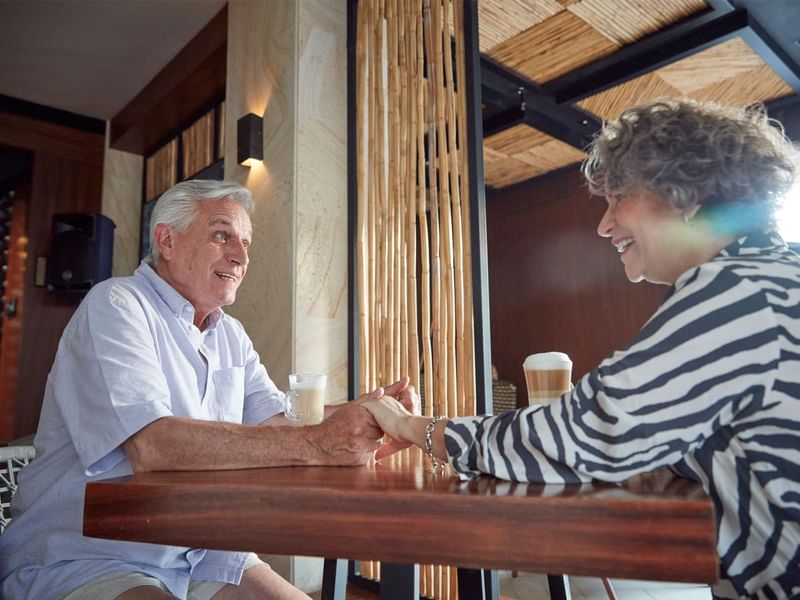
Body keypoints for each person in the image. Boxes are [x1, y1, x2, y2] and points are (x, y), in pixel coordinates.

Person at [364, 99, 800, 599]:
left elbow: (583, 434)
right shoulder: (776, 276)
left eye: (619, 197)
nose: (604, 224)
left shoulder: (738, 293)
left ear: (689, 192)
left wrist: (410, 426)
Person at [0, 179, 413, 600]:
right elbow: (153, 446)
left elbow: (283, 424)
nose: (241, 256)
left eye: (246, 243)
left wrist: (368, 418)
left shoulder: (230, 333)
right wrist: (322, 441)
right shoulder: (116, 304)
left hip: (201, 550)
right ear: (167, 240)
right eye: (222, 235)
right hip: (88, 554)